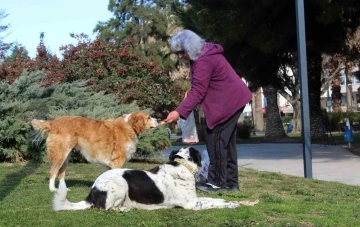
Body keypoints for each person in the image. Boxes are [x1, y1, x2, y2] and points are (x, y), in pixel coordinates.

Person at [163, 29, 252, 192]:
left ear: (190, 47)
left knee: (215, 139)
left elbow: (199, 91)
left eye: (182, 52)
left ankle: (218, 182)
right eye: (178, 53)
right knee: (227, 143)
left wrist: (178, 112)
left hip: (228, 102)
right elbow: (201, 86)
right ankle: (231, 183)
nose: (180, 56)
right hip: (234, 99)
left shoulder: (203, 60)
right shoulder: (203, 55)